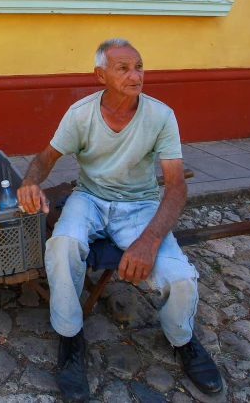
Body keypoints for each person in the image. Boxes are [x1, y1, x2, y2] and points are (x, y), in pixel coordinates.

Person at [17, 39, 222, 401]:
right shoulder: (81, 114)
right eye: (123, 68)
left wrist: (149, 240)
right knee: (62, 246)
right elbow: (46, 158)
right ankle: (70, 339)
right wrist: (31, 181)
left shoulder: (160, 115)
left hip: (140, 204)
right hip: (88, 198)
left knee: (181, 278)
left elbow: (175, 187)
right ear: (100, 75)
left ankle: (183, 340)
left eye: (139, 67)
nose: (135, 75)